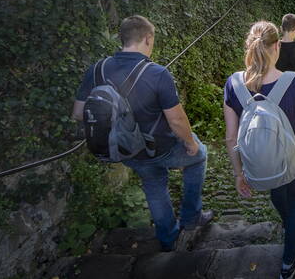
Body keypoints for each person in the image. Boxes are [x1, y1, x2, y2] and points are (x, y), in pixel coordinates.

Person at [73, 15, 213, 251]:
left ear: (123, 39)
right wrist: (190, 143)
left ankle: (168, 238)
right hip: (162, 147)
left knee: (154, 185)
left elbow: (78, 113)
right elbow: (177, 120)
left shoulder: (96, 70)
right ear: (148, 38)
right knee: (199, 156)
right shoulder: (157, 73)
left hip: (127, 150)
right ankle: (191, 218)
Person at [223, 21, 295, 279]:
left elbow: (230, 137)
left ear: (249, 47)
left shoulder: (234, 83)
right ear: (277, 47)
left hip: (262, 164)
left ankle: (290, 230)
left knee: (278, 195)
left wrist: (239, 174)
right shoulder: (292, 82)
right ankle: (287, 263)